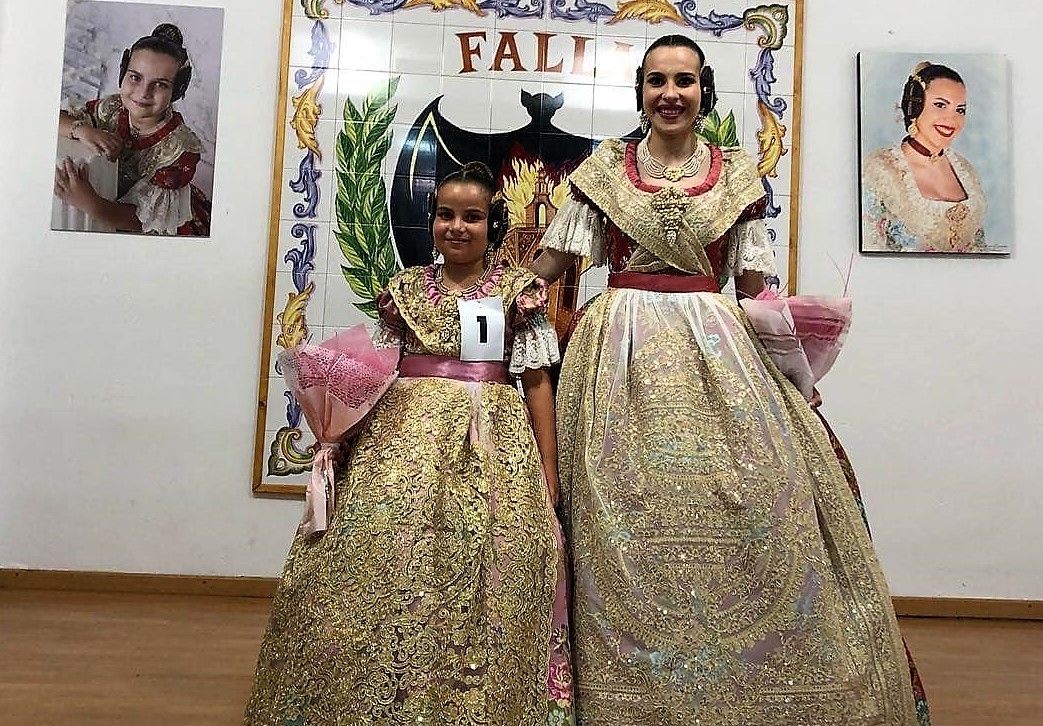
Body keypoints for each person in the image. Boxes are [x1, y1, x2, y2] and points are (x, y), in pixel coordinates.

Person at [531, 34, 926, 725]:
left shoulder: (737, 175)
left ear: (704, 93)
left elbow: (753, 287)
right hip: (613, 346)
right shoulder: (604, 170)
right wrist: (482, 294)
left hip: (716, 346)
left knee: (755, 491)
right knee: (615, 505)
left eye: (682, 81)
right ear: (641, 92)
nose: (669, 94)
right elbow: (555, 260)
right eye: (656, 81)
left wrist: (794, 368)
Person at [245, 162, 574, 725]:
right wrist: (341, 431)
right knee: (387, 549)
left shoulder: (519, 293)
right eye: (446, 214)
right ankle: (380, 690)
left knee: (485, 555)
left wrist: (548, 464)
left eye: (472, 217)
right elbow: (379, 367)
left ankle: (471, 696)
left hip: (492, 440)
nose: (457, 227)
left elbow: (538, 380)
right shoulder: (404, 290)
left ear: (493, 223)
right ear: (432, 221)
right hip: (403, 436)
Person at [54, 23, 211, 236]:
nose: (143, 92)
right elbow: (55, 119)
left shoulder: (179, 148)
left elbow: (140, 221)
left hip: (149, 224)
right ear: (123, 75)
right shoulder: (110, 108)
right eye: (135, 77)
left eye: (160, 84)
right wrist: (82, 130)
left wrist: (89, 203)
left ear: (176, 90)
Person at [862, 61, 986, 252]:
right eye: (940, 105)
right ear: (915, 106)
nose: (952, 119)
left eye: (960, 110)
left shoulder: (966, 171)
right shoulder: (879, 171)